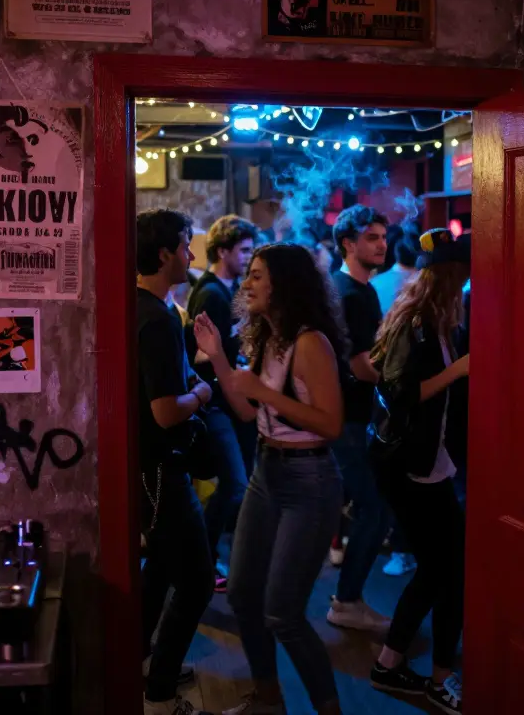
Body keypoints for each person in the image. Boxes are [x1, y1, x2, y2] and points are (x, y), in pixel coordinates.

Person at [194, 244, 347, 715]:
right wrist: (218, 360)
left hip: (309, 480)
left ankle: (329, 710)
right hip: (267, 471)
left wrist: (262, 391)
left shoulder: (309, 342)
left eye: (257, 276)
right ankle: (267, 698)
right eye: (249, 275)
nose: (246, 284)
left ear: (284, 282)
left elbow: (331, 424)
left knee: (282, 611)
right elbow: (246, 410)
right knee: (241, 593)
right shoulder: (264, 336)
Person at [367, 228, 470, 715]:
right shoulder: (420, 323)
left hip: (427, 462)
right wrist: (461, 368)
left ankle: (392, 664)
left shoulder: (437, 319)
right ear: (452, 278)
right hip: (413, 466)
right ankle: (438, 678)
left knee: (441, 570)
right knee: (447, 572)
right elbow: (404, 393)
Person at [133, 208, 216, 715]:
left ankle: (144, 665)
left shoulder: (141, 307)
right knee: (199, 581)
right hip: (163, 469)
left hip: (148, 470)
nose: (191, 255)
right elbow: (165, 412)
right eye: (186, 245)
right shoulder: (159, 318)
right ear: (165, 253)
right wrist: (203, 393)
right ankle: (160, 695)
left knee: (161, 570)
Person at [325, 204, 393, 633]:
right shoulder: (350, 292)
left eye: (383, 237)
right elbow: (360, 364)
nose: (382, 244)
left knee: (368, 507)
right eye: (372, 237)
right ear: (349, 243)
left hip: (352, 416)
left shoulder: (356, 288)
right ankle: (346, 601)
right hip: (346, 418)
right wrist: (401, 386)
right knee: (375, 510)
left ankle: (347, 597)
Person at [186, 215, 257, 591]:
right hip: (216, 402)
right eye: (243, 250)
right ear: (223, 250)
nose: (248, 257)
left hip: (227, 399)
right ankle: (204, 560)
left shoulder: (225, 288)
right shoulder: (212, 293)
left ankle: (210, 558)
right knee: (235, 484)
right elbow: (201, 355)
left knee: (238, 483)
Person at [371, 224, 422, 577]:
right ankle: (405, 546)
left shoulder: (377, 285)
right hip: (412, 389)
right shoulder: (423, 289)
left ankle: (397, 543)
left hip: (382, 390)